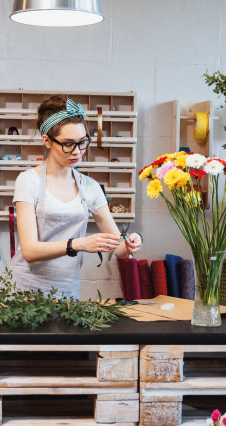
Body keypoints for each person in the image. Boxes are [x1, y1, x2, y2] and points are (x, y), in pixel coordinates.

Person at [9, 96, 142, 298]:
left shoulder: (91, 188)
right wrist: (79, 244)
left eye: (82, 142)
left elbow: (118, 248)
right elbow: (29, 251)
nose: (77, 152)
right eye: (68, 144)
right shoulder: (29, 181)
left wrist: (132, 242)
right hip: (27, 290)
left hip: (67, 290)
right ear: (47, 141)